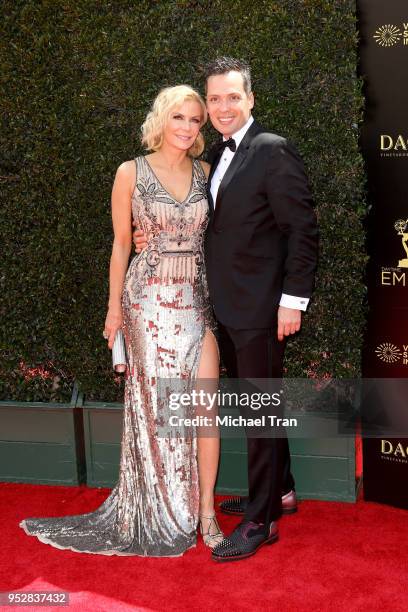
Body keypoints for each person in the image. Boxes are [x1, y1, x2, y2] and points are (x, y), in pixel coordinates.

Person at [19, 85, 223, 556]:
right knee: (159, 414)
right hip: (146, 301)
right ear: (161, 119)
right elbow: (120, 245)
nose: (188, 127)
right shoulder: (130, 171)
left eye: (195, 120)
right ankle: (164, 508)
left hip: (196, 299)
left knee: (205, 407)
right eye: (179, 117)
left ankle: (206, 512)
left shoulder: (207, 174)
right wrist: (113, 309)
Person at [134, 57, 318, 562]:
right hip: (227, 308)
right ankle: (279, 491)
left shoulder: (273, 151)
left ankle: (261, 521)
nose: (221, 107)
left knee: (259, 412)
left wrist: (292, 301)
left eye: (231, 97)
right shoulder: (215, 154)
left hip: (262, 309)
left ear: (250, 99)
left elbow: (301, 231)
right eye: (213, 98)